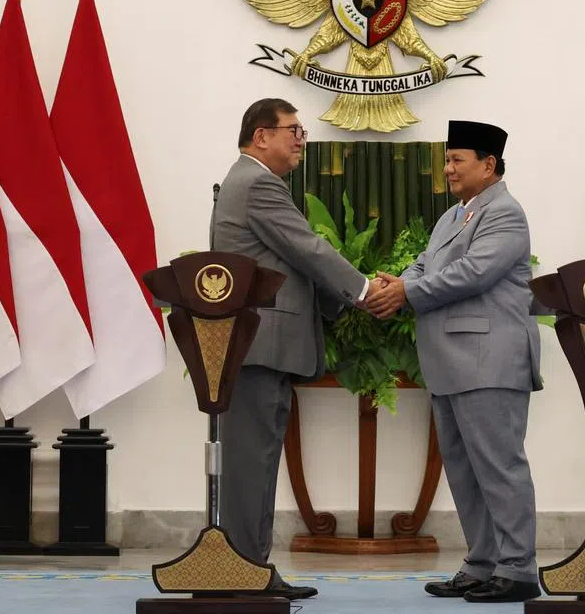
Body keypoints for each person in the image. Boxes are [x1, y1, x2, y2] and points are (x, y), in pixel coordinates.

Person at [366, 120, 543, 604]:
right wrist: (396, 283)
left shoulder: (505, 213)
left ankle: (518, 569)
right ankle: (482, 564)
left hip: (490, 361)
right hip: (452, 364)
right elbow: (425, 264)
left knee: (500, 468)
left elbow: (473, 272)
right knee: (465, 471)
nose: (447, 169)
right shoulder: (453, 215)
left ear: (489, 165)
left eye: (456, 160)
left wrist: (406, 293)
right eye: (446, 160)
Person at [212, 97, 380, 600]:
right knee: (252, 463)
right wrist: (364, 291)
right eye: (294, 130)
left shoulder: (249, 181)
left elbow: (292, 259)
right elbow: (306, 248)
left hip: (260, 345)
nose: (301, 140)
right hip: (260, 344)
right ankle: (245, 571)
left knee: (257, 461)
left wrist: (340, 299)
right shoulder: (258, 183)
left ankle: (250, 568)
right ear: (261, 135)